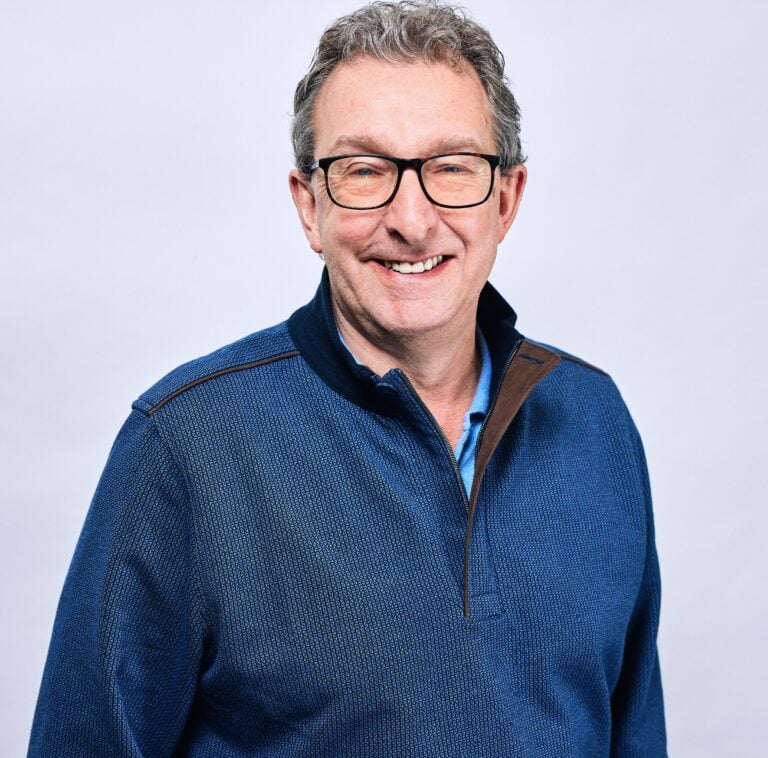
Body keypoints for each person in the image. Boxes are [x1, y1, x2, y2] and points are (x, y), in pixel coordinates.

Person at [28, 1, 667, 755]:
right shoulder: (186, 447)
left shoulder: (593, 421)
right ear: (310, 207)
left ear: (506, 200)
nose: (413, 219)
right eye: (365, 171)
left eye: (451, 168)